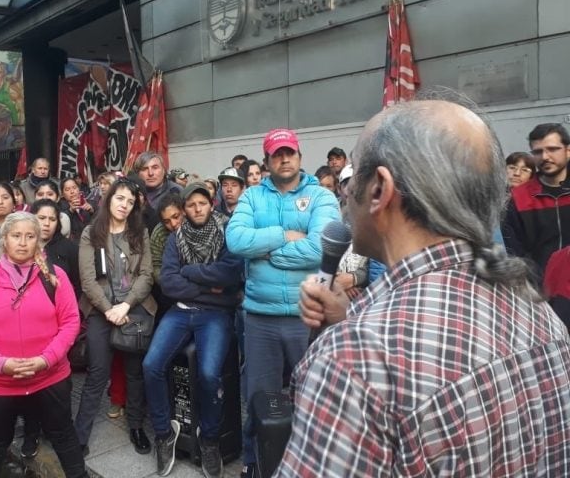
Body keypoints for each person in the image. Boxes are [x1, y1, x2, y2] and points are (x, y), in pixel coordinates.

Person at [286, 96, 570, 477]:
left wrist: (351, 336)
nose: (346, 195)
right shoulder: (539, 313)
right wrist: (350, 316)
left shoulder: (352, 363)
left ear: (379, 190)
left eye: (354, 180)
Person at [225, 128, 340, 478]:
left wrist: (268, 254)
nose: (285, 158)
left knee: (314, 400)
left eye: (290, 152)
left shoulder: (321, 196)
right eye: (277, 154)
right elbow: (236, 239)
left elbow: (320, 248)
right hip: (260, 317)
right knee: (258, 400)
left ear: (300, 157)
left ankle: (312, 466)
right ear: (268, 160)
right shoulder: (251, 197)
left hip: (308, 316)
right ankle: (253, 464)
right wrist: (282, 236)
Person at [0, 212, 86, 478]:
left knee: (64, 435)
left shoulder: (54, 276)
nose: (22, 242)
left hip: (49, 377)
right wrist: (0, 363)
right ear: (4, 240)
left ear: (39, 242)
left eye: (30, 236)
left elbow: (71, 322)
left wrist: (46, 359)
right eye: (16, 236)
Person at [144, 182, 244, 478]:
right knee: (151, 365)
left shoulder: (227, 232)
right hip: (181, 312)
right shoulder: (177, 238)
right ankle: (164, 433)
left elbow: (230, 273)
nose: (197, 209)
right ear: (184, 210)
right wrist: (215, 291)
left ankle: (210, 438)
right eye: (191, 205)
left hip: (215, 316)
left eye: (202, 203)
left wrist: (191, 273)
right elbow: (170, 283)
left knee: (209, 373)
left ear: (210, 204)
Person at [74, 178, 156, 457]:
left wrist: (126, 305)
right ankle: (80, 434)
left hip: (133, 310)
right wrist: (109, 308)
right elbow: (88, 279)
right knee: (97, 373)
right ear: (109, 198)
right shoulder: (91, 232)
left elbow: (146, 275)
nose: (124, 205)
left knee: (135, 373)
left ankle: (135, 427)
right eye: (120, 198)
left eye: (130, 202)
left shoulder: (139, 232)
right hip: (101, 310)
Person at [502, 123, 570, 279]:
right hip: (541, 292)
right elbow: (516, 256)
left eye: (552, 149)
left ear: (568, 151)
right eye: (538, 151)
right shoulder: (518, 199)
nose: (545, 157)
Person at [32, 199, 80, 300]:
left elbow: (79, 285)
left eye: (52, 219)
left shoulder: (70, 248)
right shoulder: (22, 247)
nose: (47, 223)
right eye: (42, 218)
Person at [59, 177, 93, 242]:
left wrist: (91, 210)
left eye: (74, 188)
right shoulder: (60, 207)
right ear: (62, 194)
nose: (72, 191)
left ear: (79, 189)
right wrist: (70, 210)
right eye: (67, 189)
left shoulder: (88, 202)